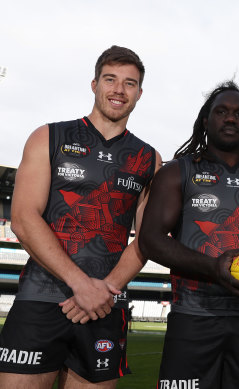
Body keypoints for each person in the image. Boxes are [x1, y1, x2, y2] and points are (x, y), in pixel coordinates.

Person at [0, 45, 161, 388]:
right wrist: (81, 285)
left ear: (140, 93)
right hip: (40, 298)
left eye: (129, 83)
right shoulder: (49, 136)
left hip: (105, 307)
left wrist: (106, 290)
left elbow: (148, 239)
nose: (119, 89)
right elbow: (24, 219)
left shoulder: (149, 159)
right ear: (94, 84)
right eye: (110, 79)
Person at [138, 80, 239, 389]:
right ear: (206, 121)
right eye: (221, 111)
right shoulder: (176, 171)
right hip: (192, 315)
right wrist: (216, 268)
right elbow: (150, 239)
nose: (231, 118)